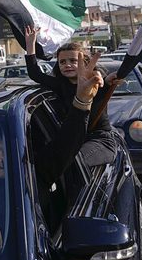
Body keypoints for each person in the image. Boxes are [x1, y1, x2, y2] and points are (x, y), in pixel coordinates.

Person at [23, 26, 119, 186]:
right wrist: (30, 44)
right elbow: (35, 73)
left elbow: (103, 77)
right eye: (62, 62)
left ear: (85, 63)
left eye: (73, 61)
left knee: (72, 165)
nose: (67, 65)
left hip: (99, 140)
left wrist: (102, 78)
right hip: (72, 142)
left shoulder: (97, 81)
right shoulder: (60, 85)